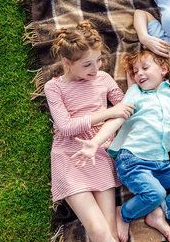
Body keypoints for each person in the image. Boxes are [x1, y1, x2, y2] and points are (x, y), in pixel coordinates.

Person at [73, 49, 170, 242]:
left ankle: (159, 213)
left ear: (164, 69)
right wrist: (96, 142)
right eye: (136, 71)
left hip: (160, 163)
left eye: (145, 68)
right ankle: (123, 214)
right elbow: (118, 118)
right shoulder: (135, 93)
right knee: (155, 193)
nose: (140, 74)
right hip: (132, 159)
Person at [44, 21, 136, 242]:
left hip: (100, 152)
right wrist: (106, 113)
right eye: (87, 65)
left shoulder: (103, 79)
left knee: (110, 233)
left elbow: (125, 107)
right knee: (97, 230)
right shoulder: (54, 87)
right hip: (70, 156)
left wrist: (132, 90)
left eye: (99, 60)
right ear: (67, 62)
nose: (96, 69)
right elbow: (66, 127)